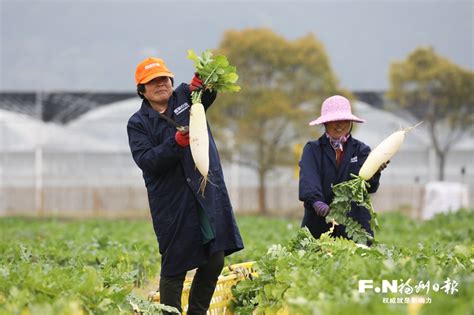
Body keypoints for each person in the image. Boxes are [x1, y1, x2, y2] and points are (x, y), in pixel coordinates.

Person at [127, 57, 244, 314]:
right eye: (153, 82)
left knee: (215, 256)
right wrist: (175, 143)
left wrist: (204, 84)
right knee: (175, 265)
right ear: (142, 90)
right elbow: (146, 160)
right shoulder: (138, 123)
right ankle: (171, 312)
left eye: (164, 78)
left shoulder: (185, 96)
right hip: (172, 201)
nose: (161, 85)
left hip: (203, 190)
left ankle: (197, 312)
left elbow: (206, 99)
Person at [298, 95, 388, 243]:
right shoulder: (312, 150)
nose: (339, 125)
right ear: (325, 123)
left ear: (350, 122)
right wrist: (316, 201)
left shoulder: (361, 150)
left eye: (344, 120)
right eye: (334, 121)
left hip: (355, 227)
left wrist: (375, 171)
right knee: (315, 261)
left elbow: (369, 187)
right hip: (318, 224)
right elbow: (309, 178)